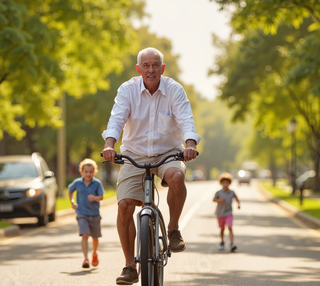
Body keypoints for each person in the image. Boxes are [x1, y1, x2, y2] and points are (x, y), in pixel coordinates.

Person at [101, 47, 200, 285]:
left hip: (168, 153)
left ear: (162, 68)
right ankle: (129, 266)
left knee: (176, 178)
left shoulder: (174, 90)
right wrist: (109, 144)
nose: (151, 70)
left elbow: (186, 118)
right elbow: (117, 118)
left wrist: (189, 144)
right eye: (146, 65)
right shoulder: (128, 90)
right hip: (135, 153)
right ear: (139, 69)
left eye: (155, 65)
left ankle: (173, 228)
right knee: (124, 206)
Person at [68, 158, 105, 268]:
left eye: (90, 172)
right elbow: (70, 191)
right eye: (86, 172)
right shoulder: (77, 183)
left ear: (94, 172)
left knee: (95, 237)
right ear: (81, 172)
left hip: (94, 214)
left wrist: (95, 198)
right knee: (85, 235)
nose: (88, 174)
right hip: (82, 213)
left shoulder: (97, 183)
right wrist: (72, 202)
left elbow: (101, 197)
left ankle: (94, 253)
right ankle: (86, 259)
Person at [213, 172, 241, 252]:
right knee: (222, 229)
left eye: (227, 183)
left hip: (228, 213)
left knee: (230, 227)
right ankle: (222, 242)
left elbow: (236, 198)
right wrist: (220, 200)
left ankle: (232, 243)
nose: (225, 184)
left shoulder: (232, 192)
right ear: (221, 183)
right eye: (224, 183)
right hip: (220, 213)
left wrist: (238, 204)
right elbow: (214, 199)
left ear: (229, 183)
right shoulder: (218, 192)